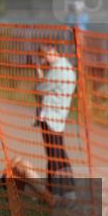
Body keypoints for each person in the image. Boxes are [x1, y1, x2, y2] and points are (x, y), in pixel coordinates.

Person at [34, 44, 77, 198]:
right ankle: (69, 191)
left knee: (53, 155)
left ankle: (53, 194)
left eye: (43, 57)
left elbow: (39, 89)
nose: (44, 61)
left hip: (51, 118)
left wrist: (39, 72)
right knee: (59, 153)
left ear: (49, 53)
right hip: (60, 117)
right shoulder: (68, 68)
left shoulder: (57, 70)